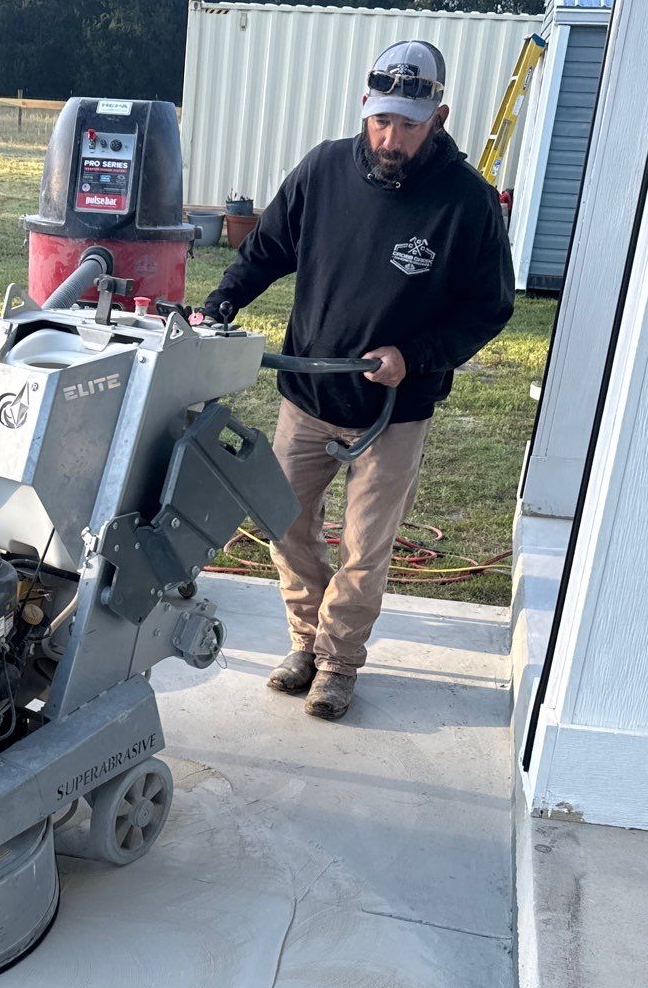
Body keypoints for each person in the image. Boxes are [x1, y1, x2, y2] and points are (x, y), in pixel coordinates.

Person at [200, 40, 515, 721]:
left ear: (439, 116)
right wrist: (222, 301)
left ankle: (339, 666)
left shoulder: (468, 203)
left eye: (407, 124)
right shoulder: (323, 170)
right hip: (308, 399)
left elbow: (490, 309)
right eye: (381, 121)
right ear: (364, 107)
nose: (390, 138)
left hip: (394, 410)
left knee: (366, 549)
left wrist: (417, 355)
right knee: (285, 525)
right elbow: (266, 251)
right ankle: (306, 644)